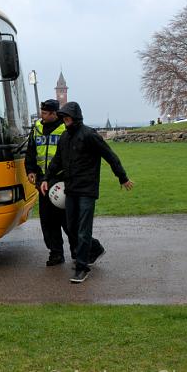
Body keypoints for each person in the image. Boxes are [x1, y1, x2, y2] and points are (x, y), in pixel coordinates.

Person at [41, 102, 133, 284]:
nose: (65, 120)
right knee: (72, 228)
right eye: (63, 117)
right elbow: (57, 161)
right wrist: (45, 178)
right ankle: (94, 249)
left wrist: (122, 177)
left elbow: (110, 156)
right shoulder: (65, 138)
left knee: (83, 230)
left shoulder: (90, 135)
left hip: (87, 190)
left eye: (68, 117)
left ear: (75, 117)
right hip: (71, 189)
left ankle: (82, 267)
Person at [26, 99, 74, 266]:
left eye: (45, 113)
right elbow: (31, 152)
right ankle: (56, 253)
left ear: (55, 114)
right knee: (47, 220)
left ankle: (78, 251)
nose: (42, 116)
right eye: (42, 112)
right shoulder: (37, 128)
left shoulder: (65, 129)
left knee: (67, 220)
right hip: (42, 181)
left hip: (61, 180)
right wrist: (30, 170)